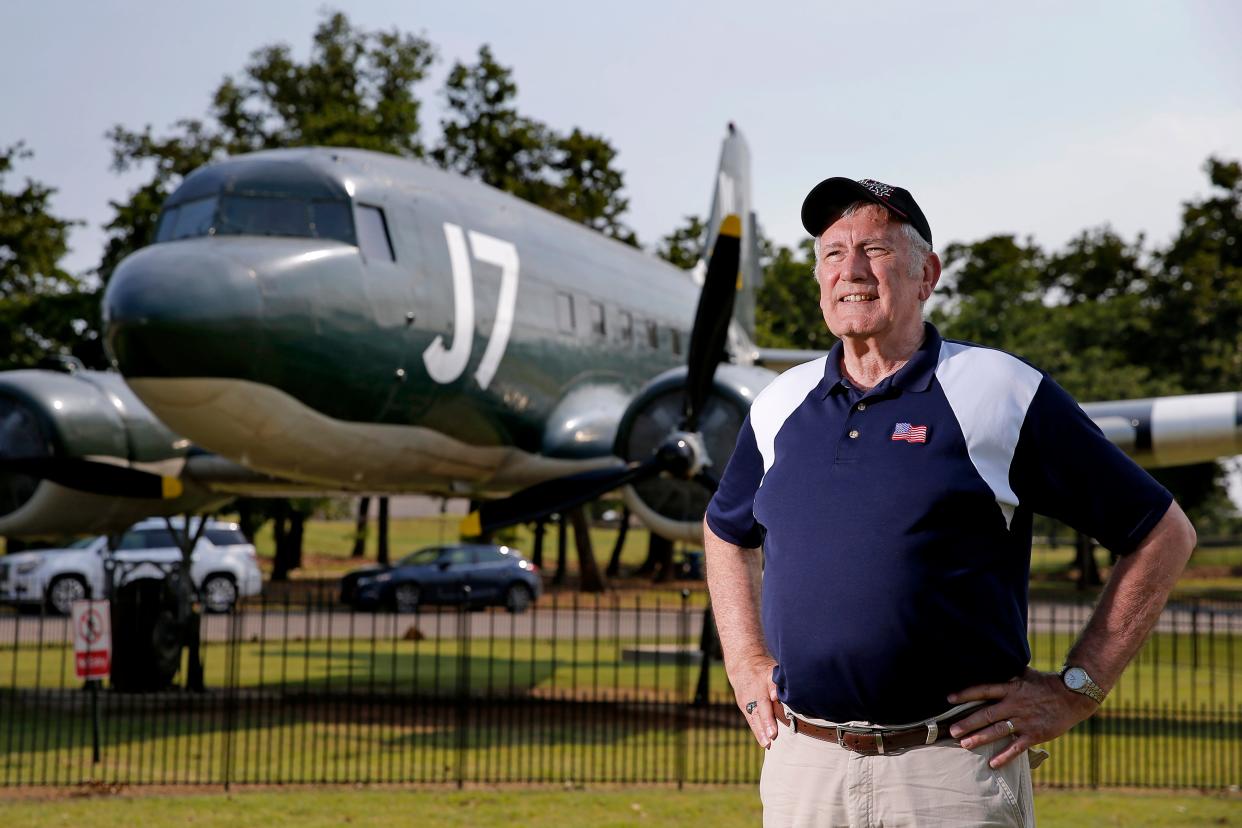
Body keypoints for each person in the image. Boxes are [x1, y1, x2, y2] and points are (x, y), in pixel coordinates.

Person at [703, 176, 1197, 826]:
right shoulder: (778, 402)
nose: (850, 270)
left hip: (951, 771)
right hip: (804, 765)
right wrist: (744, 662)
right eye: (831, 253)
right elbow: (725, 531)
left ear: (925, 274)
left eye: (875, 251)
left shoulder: (997, 390)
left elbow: (1164, 534)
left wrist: (1079, 687)